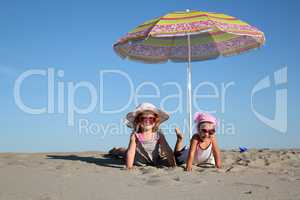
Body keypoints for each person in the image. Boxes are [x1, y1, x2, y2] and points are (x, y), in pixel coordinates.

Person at [108, 103, 176, 169]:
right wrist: (129, 167)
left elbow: (167, 150)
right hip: (137, 160)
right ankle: (115, 150)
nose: (147, 121)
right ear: (138, 120)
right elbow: (131, 153)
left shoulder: (158, 135)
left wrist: (173, 166)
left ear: (155, 121)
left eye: (151, 118)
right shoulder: (136, 135)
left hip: (154, 161)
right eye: (143, 118)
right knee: (123, 152)